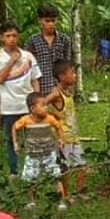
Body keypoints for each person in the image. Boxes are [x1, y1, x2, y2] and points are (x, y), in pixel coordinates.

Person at [0, 21, 41, 178]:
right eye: (8, 36)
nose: (12, 39)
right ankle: (14, 171)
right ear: (1, 38)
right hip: (9, 106)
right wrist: (12, 60)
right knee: (10, 139)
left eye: (14, 35)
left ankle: (32, 170)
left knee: (32, 137)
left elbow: (35, 80)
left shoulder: (28, 56)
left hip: (27, 105)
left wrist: (37, 100)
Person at [13, 93, 67, 210]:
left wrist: (60, 139)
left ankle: (61, 201)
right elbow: (14, 127)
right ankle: (32, 202)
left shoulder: (49, 119)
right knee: (31, 179)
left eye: (46, 105)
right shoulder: (26, 120)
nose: (46, 108)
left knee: (56, 177)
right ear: (32, 108)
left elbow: (58, 127)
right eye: (43, 105)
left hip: (49, 154)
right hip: (32, 155)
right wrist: (15, 142)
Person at [45, 60, 87, 203]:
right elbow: (42, 104)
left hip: (74, 136)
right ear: (62, 76)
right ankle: (65, 195)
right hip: (64, 138)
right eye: (72, 73)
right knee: (65, 169)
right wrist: (52, 116)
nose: (75, 76)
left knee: (82, 165)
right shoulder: (56, 93)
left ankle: (79, 192)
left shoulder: (68, 92)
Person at [24, 4, 74, 96]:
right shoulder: (32, 41)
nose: (50, 24)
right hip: (40, 88)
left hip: (60, 89)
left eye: (53, 21)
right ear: (40, 21)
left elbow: (67, 65)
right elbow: (28, 67)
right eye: (47, 21)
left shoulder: (64, 40)